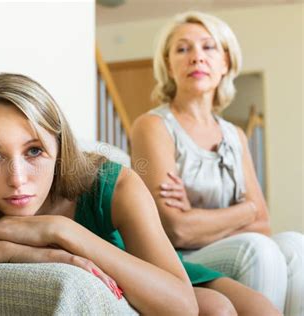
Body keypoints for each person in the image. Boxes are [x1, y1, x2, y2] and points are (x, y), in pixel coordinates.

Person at [0, 73, 278, 315]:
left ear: (60, 147)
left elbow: (179, 301)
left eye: (34, 151)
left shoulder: (115, 183)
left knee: (252, 307)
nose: (16, 178)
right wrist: (5, 249)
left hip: (146, 260)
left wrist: (63, 231)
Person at [130, 11, 303, 316]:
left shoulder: (235, 135)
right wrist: (244, 211)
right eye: (183, 49)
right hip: (176, 257)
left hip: (225, 245)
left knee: (295, 245)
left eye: (208, 47)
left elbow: (263, 222)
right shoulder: (152, 126)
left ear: (225, 62)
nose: (196, 57)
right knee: (257, 249)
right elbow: (175, 230)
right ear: (169, 66)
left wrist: (198, 218)